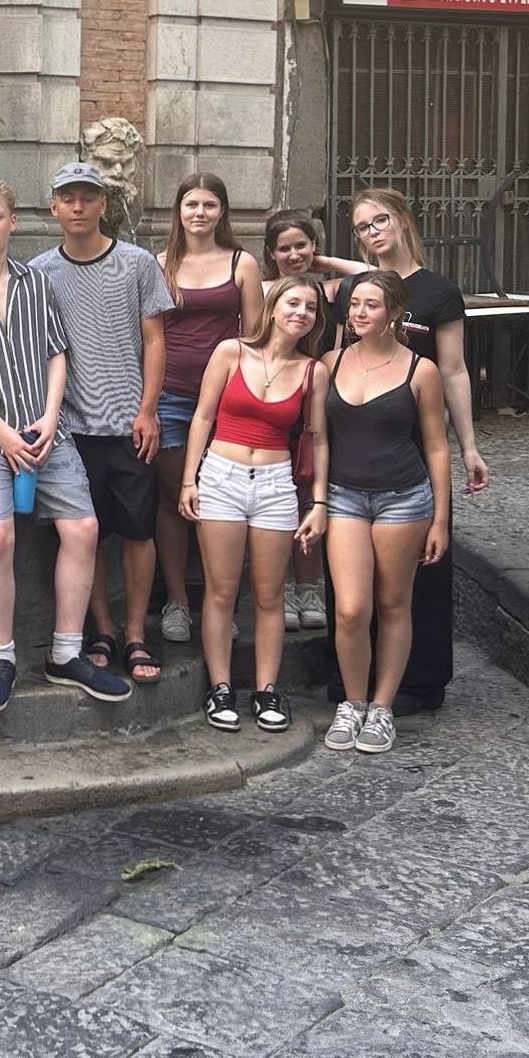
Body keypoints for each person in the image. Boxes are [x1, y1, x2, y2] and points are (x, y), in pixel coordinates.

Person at [0, 177, 131, 712]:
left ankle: (66, 655)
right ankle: (2, 658)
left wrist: (50, 417)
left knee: (84, 528)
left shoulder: (36, 281)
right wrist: (1, 431)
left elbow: (56, 353)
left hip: (47, 430)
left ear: (12, 223)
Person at [324, 187, 491, 713]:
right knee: (350, 585)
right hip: (357, 442)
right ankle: (350, 685)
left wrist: (470, 448)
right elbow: (336, 360)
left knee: (419, 575)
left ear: (402, 222)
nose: (372, 232)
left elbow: (456, 370)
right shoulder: (354, 287)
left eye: (379, 221)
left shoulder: (439, 291)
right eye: (361, 227)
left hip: (417, 446)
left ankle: (417, 682)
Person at [31, 162, 172, 686]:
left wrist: (148, 408)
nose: (77, 207)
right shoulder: (41, 271)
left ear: (102, 205)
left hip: (129, 422)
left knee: (138, 532)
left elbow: (156, 338)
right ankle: (103, 630)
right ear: (54, 207)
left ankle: (136, 632)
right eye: (67, 198)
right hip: (70, 429)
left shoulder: (136, 264)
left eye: (87, 197)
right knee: (83, 536)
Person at [178, 278, 329, 734]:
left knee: (269, 595)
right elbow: (203, 416)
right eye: (292, 302)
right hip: (221, 475)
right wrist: (190, 479)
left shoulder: (312, 371)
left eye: (310, 307)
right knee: (221, 591)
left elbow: (317, 438)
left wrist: (318, 499)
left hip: (275, 483)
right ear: (273, 306)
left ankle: (267, 690)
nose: (300, 312)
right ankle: (220, 687)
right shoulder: (231, 351)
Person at [320, 270, 452, 755]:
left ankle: (382, 708)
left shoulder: (422, 370)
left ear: (394, 312)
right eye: (355, 304)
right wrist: (316, 502)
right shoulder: (330, 362)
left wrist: (439, 518)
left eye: (371, 305)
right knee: (352, 608)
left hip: (405, 498)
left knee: (395, 603)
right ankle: (352, 703)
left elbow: (437, 448)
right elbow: (317, 442)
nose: (358, 313)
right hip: (343, 497)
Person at [153, 175, 264, 651]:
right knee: (174, 501)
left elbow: (258, 338)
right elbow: (148, 334)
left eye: (210, 204)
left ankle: (224, 602)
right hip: (170, 396)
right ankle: (177, 601)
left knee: (226, 504)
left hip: (227, 401)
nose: (200, 212)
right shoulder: (158, 265)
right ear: (178, 210)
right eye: (191, 203)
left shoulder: (243, 263)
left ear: (223, 212)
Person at [261, 210, 338, 635]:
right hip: (273, 404)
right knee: (278, 500)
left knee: (310, 494)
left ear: (314, 245)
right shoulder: (264, 292)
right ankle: (282, 587)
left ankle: (309, 586)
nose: (294, 255)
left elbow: (377, 274)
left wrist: (324, 264)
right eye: (285, 248)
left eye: (302, 245)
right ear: (271, 253)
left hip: (317, 404)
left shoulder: (331, 290)